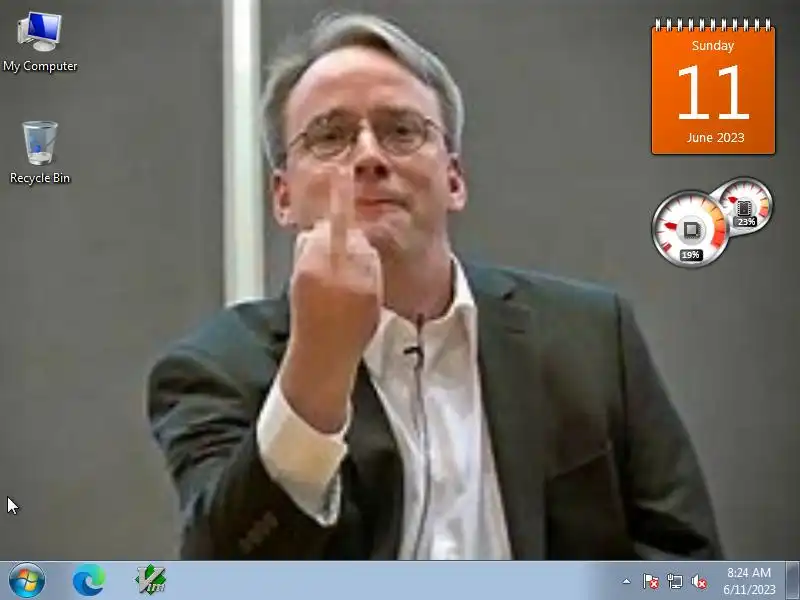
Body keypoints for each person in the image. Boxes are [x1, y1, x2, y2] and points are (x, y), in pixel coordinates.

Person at [146, 11, 722, 560]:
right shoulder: (214, 370)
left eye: (401, 131)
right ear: (283, 197)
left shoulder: (593, 337)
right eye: (330, 136)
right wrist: (318, 364)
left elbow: (687, 563)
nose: (368, 156)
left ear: (454, 178)